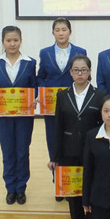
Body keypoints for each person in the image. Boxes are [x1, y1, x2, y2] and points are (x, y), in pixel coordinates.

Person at [49, 55, 105, 219]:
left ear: (90, 72)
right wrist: (55, 157)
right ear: (71, 73)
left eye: (84, 70)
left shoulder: (100, 95)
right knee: (74, 199)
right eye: (76, 70)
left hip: (92, 154)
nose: (80, 74)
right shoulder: (62, 96)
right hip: (68, 154)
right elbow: (57, 127)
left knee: (91, 197)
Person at [0, 26, 37, 205]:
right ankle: (10, 188)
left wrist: (34, 98)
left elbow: (34, 86)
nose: (12, 44)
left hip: (24, 116)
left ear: (21, 41)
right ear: (3, 42)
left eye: (16, 40)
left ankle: (21, 188)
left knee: (22, 152)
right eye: (8, 40)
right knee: (8, 152)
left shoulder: (29, 62)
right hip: (3, 117)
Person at [37, 18, 87, 162]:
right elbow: (40, 77)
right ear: (53, 32)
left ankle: (71, 169)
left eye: (64, 30)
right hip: (51, 104)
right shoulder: (45, 53)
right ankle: (55, 171)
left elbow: (83, 76)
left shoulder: (80, 51)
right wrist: (43, 92)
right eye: (57, 30)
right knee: (53, 137)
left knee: (72, 136)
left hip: (73, 102)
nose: (61, 33)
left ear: (70, 32)